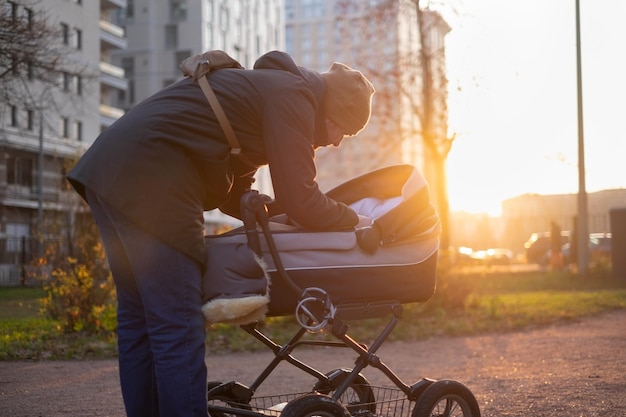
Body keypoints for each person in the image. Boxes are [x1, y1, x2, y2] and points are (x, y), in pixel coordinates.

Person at [66, 50, 375, 417]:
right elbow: (301, 199)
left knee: (141, 322)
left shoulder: (267, 90)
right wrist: (355, 219)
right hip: (155, 176)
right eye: (344, 128)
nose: (339, 141)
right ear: (331, 107)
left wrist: (270, 210)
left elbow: (238, 195)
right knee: (176, 323)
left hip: (111, 167)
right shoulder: (297, 95)